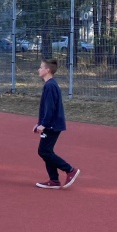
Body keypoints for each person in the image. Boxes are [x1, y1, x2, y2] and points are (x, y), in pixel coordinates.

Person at [34, 58, 80, 189]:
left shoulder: (50, 86)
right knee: (46, 151)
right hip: (51, 124)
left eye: (41, 67)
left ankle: (70, 170)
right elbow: (47, 108)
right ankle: (53, 180)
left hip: (52, 125)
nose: (39, 69)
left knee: (44, 151)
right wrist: (39, 123)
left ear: (47, 70)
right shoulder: (50, 85)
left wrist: (44, 124)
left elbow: (50, 108)